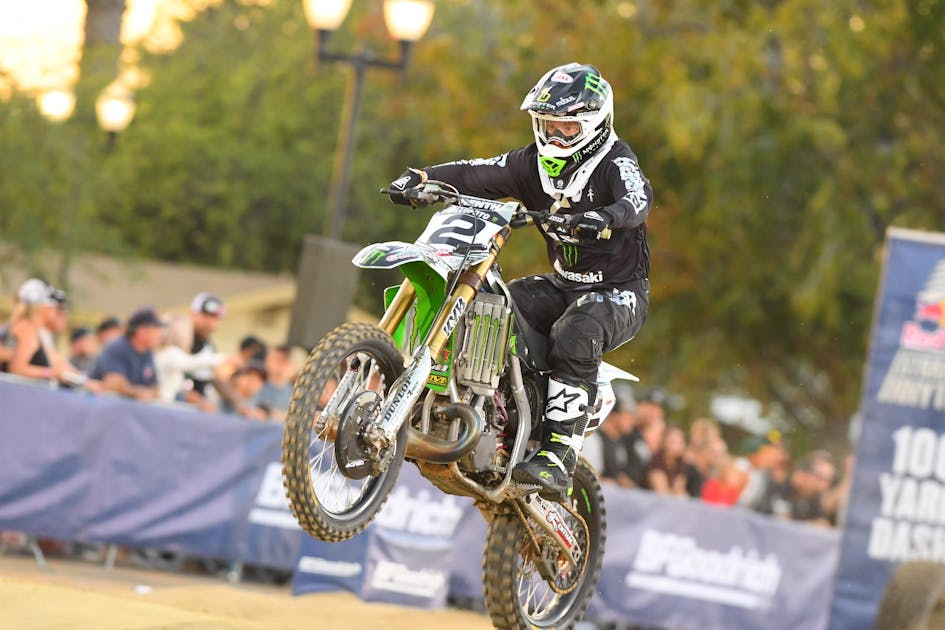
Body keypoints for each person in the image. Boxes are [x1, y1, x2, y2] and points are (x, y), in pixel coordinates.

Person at [388, 62, 653, 500]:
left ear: (595, 123)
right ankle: (492, 410)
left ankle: (558, 455)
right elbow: (473, 172)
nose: (555, 137)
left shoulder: (615, 160)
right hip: (564, 284)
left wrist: (606, 217)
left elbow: (638, 197)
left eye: (567, 128)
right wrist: (421, 177)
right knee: (494, 306)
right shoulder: (529, 164)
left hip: (619, 292)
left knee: (577, 330)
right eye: (548, 125)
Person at [90, 307, 164, 400]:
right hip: (99, 405)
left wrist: (146, 392)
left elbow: (156, 388)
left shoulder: (147, 351)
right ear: (142, 331)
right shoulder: (117, 347)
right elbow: (113, 384)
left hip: (124, 407)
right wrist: (138, 392)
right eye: (156, 329)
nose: (160, 334)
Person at [182, 293, 226, 412]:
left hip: (195, 412)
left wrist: (241, 405)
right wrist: (199, 401)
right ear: (193, 314)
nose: (210, 322)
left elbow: (216, 377)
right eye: (206, 316)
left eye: (215, 318)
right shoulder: (180, 339)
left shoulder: (208, 346)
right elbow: (175, 382)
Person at [646, 424, 690, 496]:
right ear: (665, 441)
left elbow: (680, 491)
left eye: (681, 441)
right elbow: (662, 492)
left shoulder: (681, 464)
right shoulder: (656, 461)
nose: (678, 444)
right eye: (673, 441)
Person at [256, 344, 295, 421]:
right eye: (268, 358)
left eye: (274, 359)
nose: (267, 362)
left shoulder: (294, 393)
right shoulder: (258, 385)